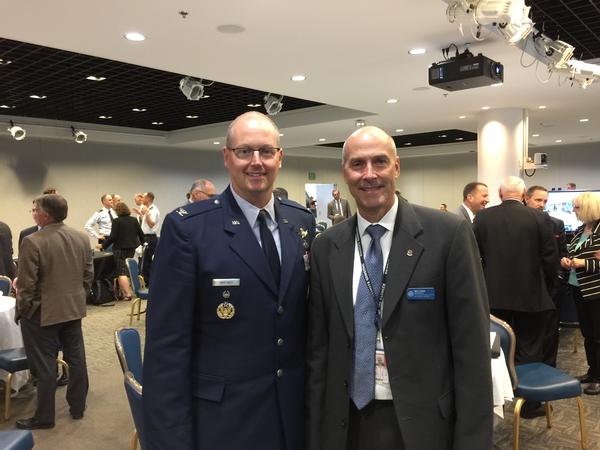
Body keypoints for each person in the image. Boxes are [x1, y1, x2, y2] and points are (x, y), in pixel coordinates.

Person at [306, 126, 492, 450]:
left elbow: (472, 351)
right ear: (344, 173)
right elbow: (318, 351)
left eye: (379, 162)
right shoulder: (327, 247)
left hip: (423, 425)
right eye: (358, 164)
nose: (369, 174)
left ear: (397, 167)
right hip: (345, 423)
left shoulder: (447, 235)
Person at [143, 111, 316, 450]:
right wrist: (169, 439)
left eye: (266, 152)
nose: (256, 162)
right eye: (244, 151)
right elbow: (167, 348)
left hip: (293, 413)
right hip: (224, 419)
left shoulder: (300, 222)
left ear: (280, 158)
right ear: (226, 157)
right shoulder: (189, 229)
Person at [15, 194, 93, 429]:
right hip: (73, 309)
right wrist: (78, 297)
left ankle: (44, 417)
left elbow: (27, 284)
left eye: (34, 209)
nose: (33, 212)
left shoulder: (33, 241)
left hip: (42, 314)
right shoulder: (81, 237)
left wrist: (24, 310)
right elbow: (88, 275)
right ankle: (78, 407)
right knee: (77, 359)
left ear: (45, 215)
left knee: (44, 365)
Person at [474, 177, 557, 381]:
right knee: (529, 347)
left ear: (500, 195)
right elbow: (550, 258)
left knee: (494, 346)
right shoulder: (539, 218)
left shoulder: (482, 218)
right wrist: (548, 288)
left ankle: (496, 400)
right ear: (522, 195)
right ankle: (529, 404)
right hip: (531, 295)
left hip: (493, 296)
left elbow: (474, 256)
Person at [560, 192, 600, 395]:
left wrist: (585, 263)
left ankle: (599, 377)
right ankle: (593, 372)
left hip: (595, 290)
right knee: (588, 334)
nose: (573, 211)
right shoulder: (580, 230)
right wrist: (566, 261)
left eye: (576, 207)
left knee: (597, 335)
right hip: (578, 287)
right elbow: (572, 253)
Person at [525, 185, 567, 367]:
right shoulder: (517, 223)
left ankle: (549, 367)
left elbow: (562, 252)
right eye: (538, 200)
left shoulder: (556, 224)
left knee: (550, 329)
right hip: (525, 284)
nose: (542, 205)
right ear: (526, 198)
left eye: (545, 201)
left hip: (550, 285)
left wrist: (559, 275)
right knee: (527, 329)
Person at [96, 202, 145, 300]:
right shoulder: (134, 220)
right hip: (131, 249)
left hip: (120, 249)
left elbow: (113, 237)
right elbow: (141, 234)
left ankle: (127, 294)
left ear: (117, 211)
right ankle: (125, 291)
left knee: (120, 272)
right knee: (127, 269)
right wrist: (142, 244)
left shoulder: (116, 221)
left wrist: (103, 245)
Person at [139, 192, 160, 284]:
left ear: (148, 199)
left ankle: (149, 282)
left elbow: (151, 224)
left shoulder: (153, 210)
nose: (141, 199)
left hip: (150, 237)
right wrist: (142, 215)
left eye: (143, 197)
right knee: (144, 259)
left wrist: (146, 214)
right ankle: (146, 280)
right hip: (145, 237)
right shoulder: (148, 209)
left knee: (147, 261)